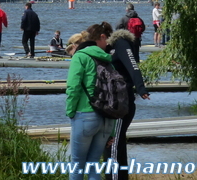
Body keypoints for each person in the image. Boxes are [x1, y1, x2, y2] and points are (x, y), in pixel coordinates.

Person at [65, 22, 115, 180]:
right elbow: (113, 90)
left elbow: (73, 88)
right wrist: (112, 131)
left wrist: (70, 112)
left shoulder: (80, 57)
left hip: (85, 114)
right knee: (93, 164)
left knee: (77, 165)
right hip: (106, 118)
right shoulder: (107, 58)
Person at [103, 24, 151, 180]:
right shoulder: (110, 48)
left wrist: (141, 88)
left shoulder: (121, 43)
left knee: (113, 145)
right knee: (117, 144)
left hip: (122, 102)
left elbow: (134, 67)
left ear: (105, 36)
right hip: (115, 101)